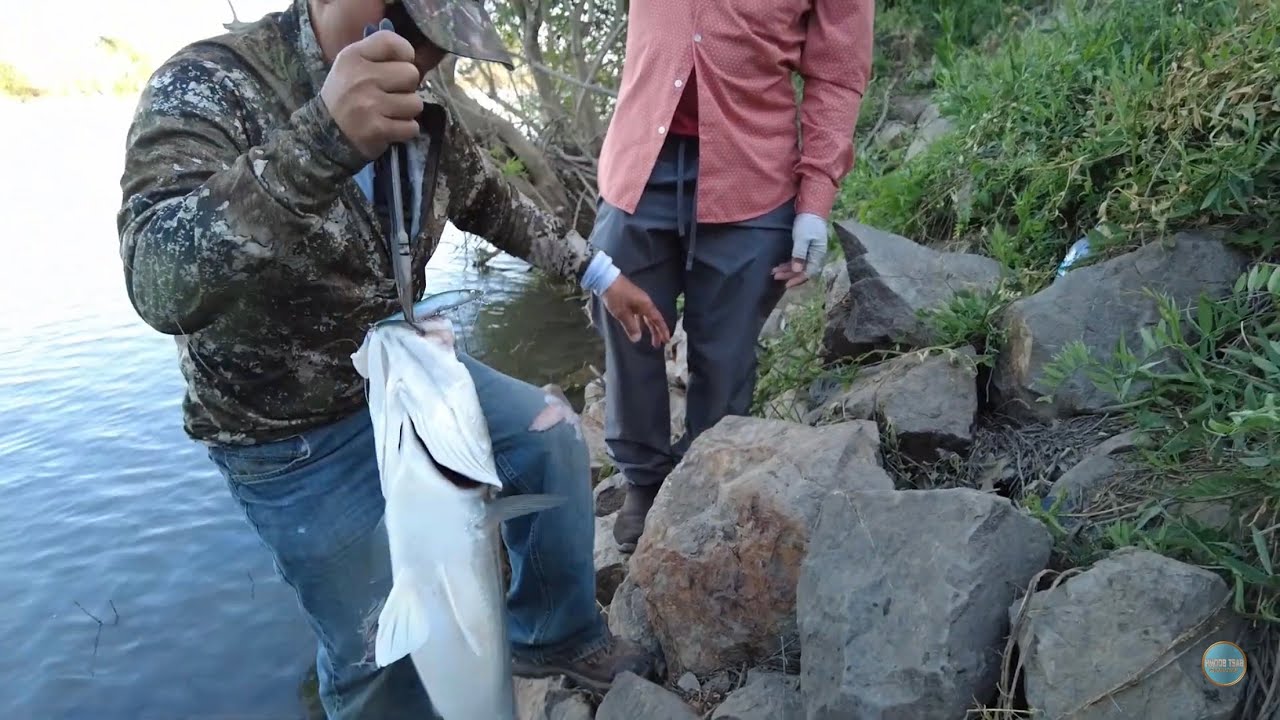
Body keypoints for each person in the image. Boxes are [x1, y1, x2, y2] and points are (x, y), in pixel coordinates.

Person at [114, 0, 667, 717]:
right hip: (287, 434)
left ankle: (554, 632)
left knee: (553, 436)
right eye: (421, 36)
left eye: (444, 46)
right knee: (376, 648)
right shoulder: (210, 88)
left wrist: (598, 274)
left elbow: (490, 200)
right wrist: (321, 142)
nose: (430, 62)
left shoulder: (423, 112)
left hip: (405, 382)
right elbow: (157, 280)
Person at [581, 0, 876, 552]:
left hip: (753, 169)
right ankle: (643, 480)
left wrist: (815, 201)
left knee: (726, 353)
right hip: (640, 159)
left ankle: (704, 481)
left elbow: (837, 73)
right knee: (626, 326)